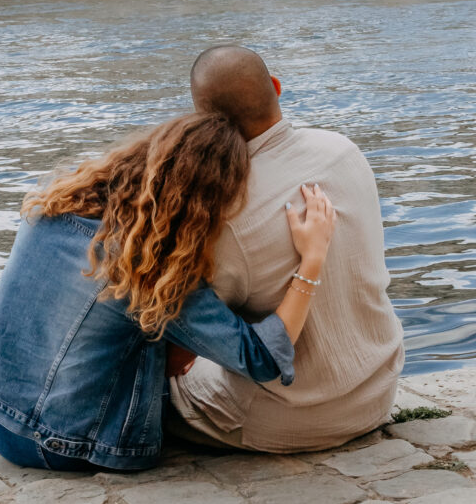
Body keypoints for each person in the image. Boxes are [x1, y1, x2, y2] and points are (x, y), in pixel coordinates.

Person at [0, 112, 336, 472]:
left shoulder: (56, 204)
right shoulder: (148, 267)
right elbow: (261, 359)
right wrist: (312, 259)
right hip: (64, 445)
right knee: (191, 348)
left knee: (155, 330)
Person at [169, 45, 404, 453]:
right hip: (377, 392)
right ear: (276, 87)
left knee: (157, 373)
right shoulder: (344, 150)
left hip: (291, 418)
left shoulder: (226, 212)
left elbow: (184, 348)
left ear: (203, 122)